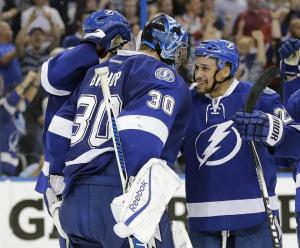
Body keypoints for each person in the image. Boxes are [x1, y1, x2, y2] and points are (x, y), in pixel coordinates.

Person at [42, 12, 191, 247]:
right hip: (119, 194)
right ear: (169, 46)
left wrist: (55, 186)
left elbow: (58, 130)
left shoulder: (92, 72)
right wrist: (138, 199)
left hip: (73, 201)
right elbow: (140, 132)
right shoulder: (162, 75)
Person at [34, 9, 133, 247]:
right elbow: (50, 77)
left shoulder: (119, 70)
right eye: (120, 41)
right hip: (66, 173)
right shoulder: (76, 63)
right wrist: (95, 46)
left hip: (96, 174)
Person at [181, 39, 287, 247]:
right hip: (202, 221)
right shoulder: (186, 101)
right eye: (197, 67)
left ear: (225, 70)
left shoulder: (260, 98)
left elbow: (292, 140)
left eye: (205, 68)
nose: (197, 75)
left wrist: (272, 129)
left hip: (255, 218)